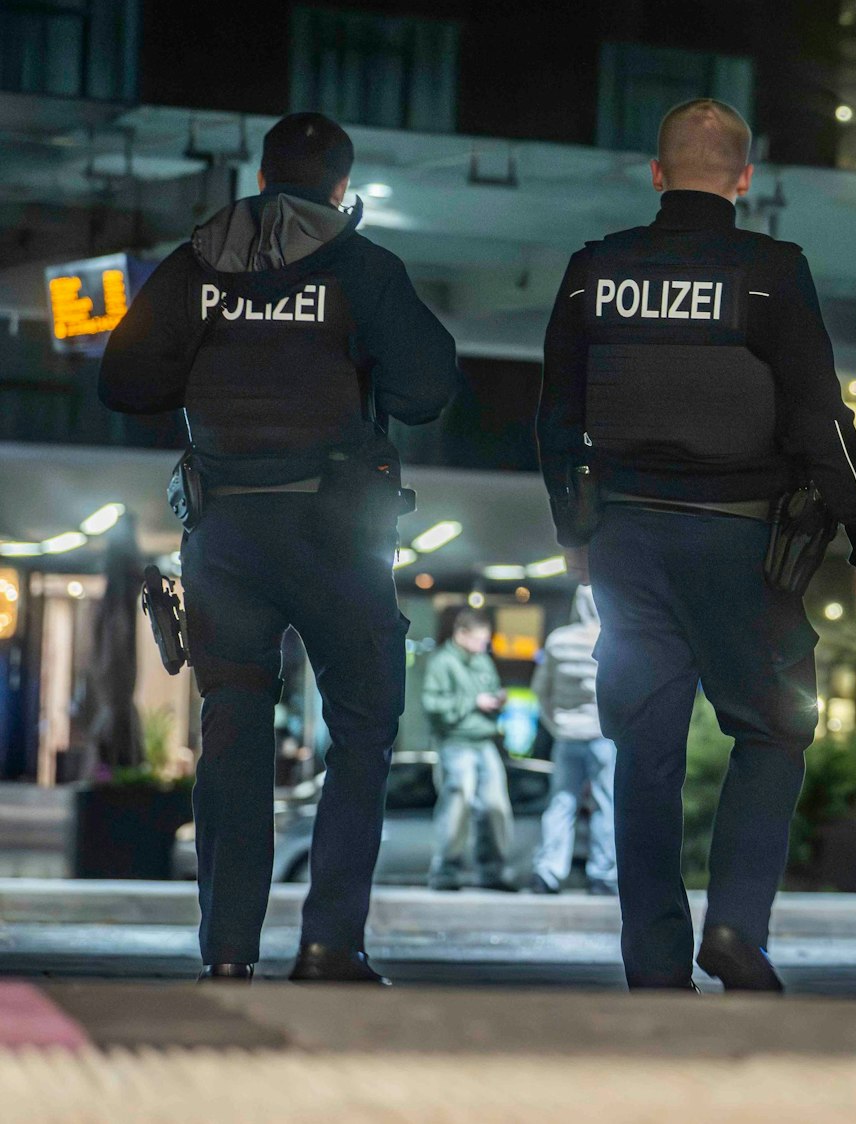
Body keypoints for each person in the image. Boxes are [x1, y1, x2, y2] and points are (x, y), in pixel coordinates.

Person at [538, 98, 856, 992]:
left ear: (656, 175)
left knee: (645, 754)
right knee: (775, 731)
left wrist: (574, 535)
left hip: (626, 543)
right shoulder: (771, 272)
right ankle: (736, 926)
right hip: (742, 547)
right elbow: (821, 419)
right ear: (745, 182)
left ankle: (653, 959)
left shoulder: (596, 269)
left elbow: (555, 416)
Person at [98, 111, 459, 985]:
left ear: (261, 178)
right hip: (337, 536)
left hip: (225, 535)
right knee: (364, 733)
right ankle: (331, 942)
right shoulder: (364, 268)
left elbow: (124, 380)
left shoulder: (196, 264)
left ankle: (226, 951)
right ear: (342, 187)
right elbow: (427, 389)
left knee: (234, 733)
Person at [527, 585, 616, 895]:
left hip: (566, 736)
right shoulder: (611, 639)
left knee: (561, 803)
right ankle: (602, 875)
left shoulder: (558, 641)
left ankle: (548, 872)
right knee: (605, 804)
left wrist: (557, 724)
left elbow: (541, 691)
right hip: (603, 736)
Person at [423, 607, 515, 892]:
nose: (482, 646)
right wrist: (474, 702)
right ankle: (446, 869)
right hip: (455, 741)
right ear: (460, 634)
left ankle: (492, 870)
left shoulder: (483, 662)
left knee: (496, 806)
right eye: (478, 639)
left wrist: (497, 701)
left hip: (484, 740)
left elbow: (491, 690)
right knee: (457, 800)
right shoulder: (442, 662)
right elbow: (432, 705)